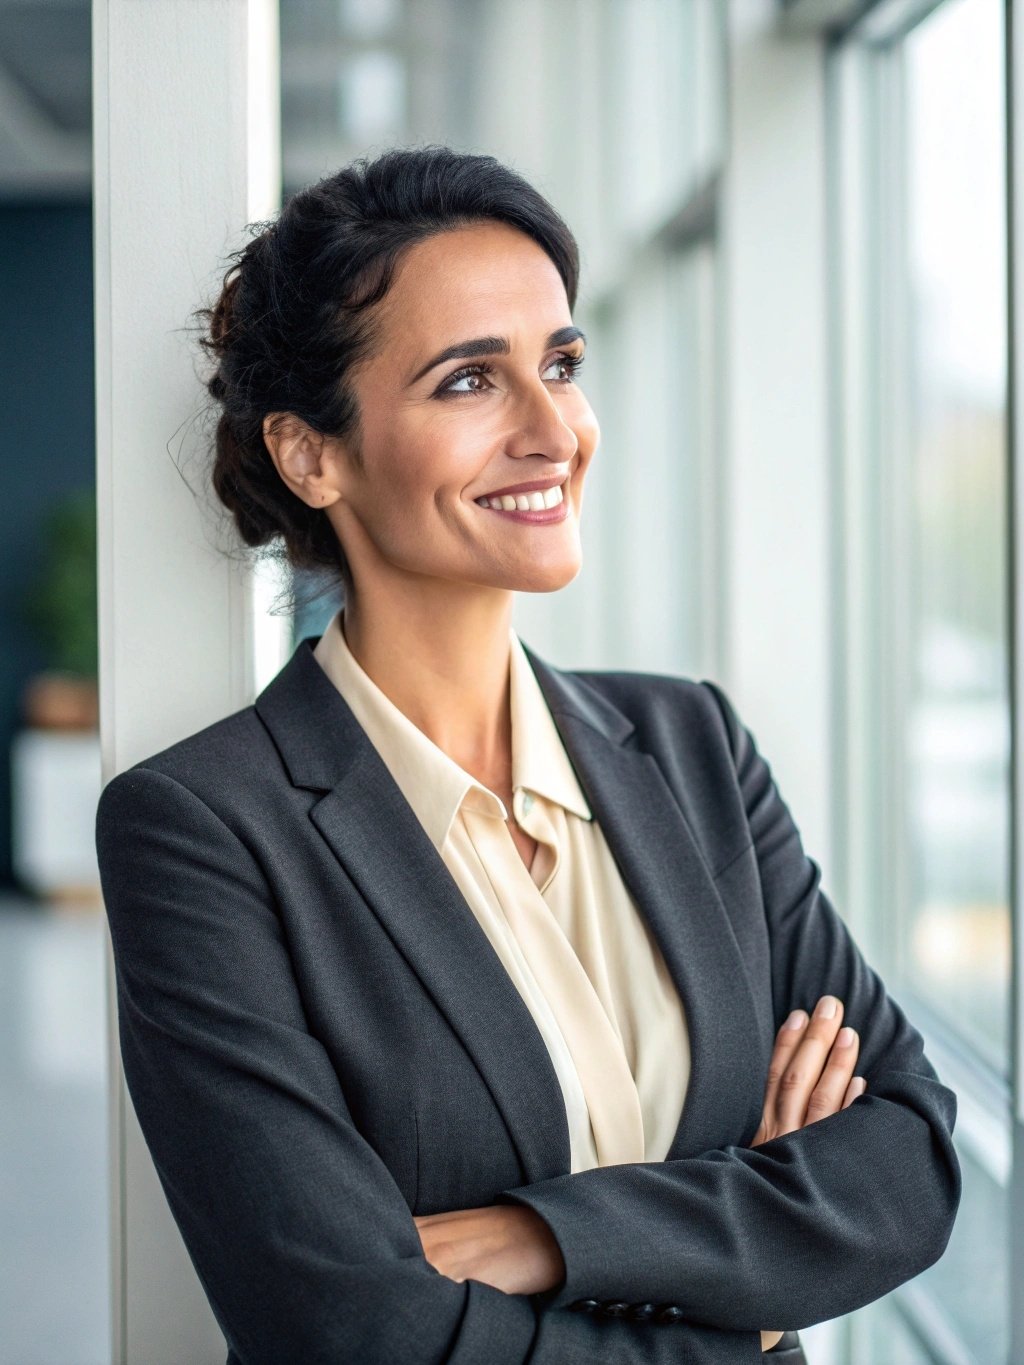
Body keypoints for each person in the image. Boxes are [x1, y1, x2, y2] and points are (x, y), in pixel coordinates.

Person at [95, 146, 960, 1365]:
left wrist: (531, 1238)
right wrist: (753, 1306)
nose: (555, 428)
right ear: (311, 455)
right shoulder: (203, 827)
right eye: (469, 382)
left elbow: (907, 1156)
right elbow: (344, 1326)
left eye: (560, 364)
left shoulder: (691, 745)